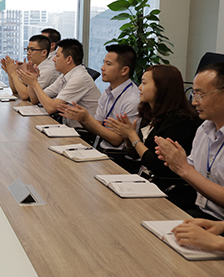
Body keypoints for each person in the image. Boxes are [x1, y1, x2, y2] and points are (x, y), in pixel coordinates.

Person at [105, 65, 200, 208]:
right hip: (144, 179)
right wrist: (127, 137)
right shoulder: (150, 111)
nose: (139, 87)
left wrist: (132, 135)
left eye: (144, 83)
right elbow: (136, 154)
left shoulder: (180, 120)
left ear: (161, 88)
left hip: (165, 188)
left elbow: (156, 165)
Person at [155, 62, 224, 219]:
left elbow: (189, 171)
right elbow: (193, 170)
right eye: (193, 94)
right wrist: (175, 160)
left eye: (200, 95)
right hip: (199, 211)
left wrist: (184, 169)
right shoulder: (204, 128)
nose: (194, 102)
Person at [58, 45, 140, 167]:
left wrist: (87, 119)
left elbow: (116, 140)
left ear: (124, 70)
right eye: (103, 63)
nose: (102, 68)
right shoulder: (108, 92)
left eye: (108, 64)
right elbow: (97, 128)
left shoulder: (132, 100)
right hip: (101, 150)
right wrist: (81, 119)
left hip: (120, 160)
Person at [18, 38, 101, 128]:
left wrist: (34, 83)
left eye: (57, 56)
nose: (54, 59)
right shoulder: (65, 75)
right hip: (68, 126)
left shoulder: (79, 78)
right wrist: (32, 80)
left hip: (85, 132)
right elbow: (35, 100)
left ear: (69, 59)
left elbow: (51, 108)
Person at [1, 34, 59, 100]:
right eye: (28, 49)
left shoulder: (47, 70)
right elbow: (15, 90)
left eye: (32, 49)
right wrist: (10, 72)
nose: (28, 53)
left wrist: (13, 73)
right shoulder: (34, 67)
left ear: (44, 52)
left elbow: (25, 95)